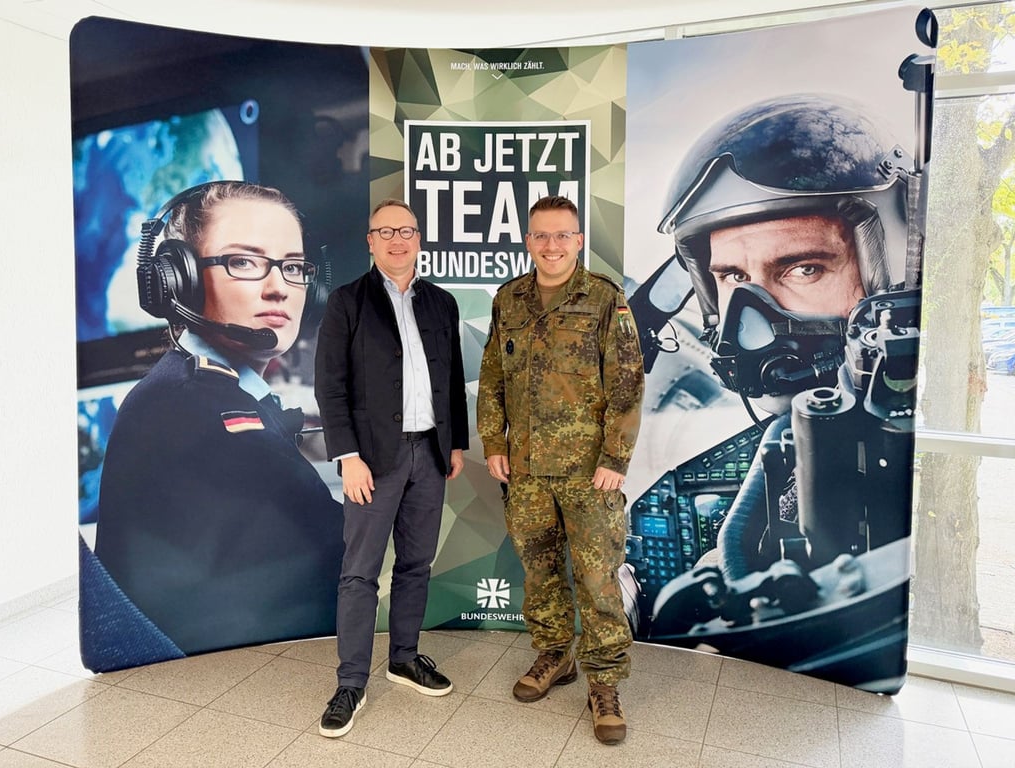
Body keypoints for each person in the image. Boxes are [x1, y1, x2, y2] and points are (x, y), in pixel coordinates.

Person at [641, 94, 916, 580]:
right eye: (730, 277)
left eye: (803, 269)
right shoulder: (786, 434)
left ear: (885, 274)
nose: (751, 320)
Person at [93, 181, 344, 661]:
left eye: (292, 267)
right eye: (243, 262)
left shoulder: (191, 386)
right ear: (179, 280)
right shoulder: (198, 407)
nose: (279, 288)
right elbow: (339, 544)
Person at [477, 195, 645, 745]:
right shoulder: (510, 300)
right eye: (541, 236)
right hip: (525, 471)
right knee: (541, 571)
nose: (551, 245)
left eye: (562, 235)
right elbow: (493, 378)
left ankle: (605, 684)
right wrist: (494, 441)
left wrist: (615, 459)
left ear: (578, 241)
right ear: (529, 241)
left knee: (598, 581)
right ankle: (554, 656)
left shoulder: (603, 299)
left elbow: (626, 382)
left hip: (587, 473)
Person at [314, 198, 468, 738]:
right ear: (371, 242)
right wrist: (347, 456)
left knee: (416, 564)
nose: (397, 240)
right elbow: (330, 386)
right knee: (359, 573)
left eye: (406, 230)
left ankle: (404, 657)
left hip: (430, 451)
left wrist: (454, 444)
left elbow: (449, 379)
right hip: (372, 459)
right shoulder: (347, 302)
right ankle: (350, 684)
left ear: (419, 238)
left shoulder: (441, 303)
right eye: (386, 231)